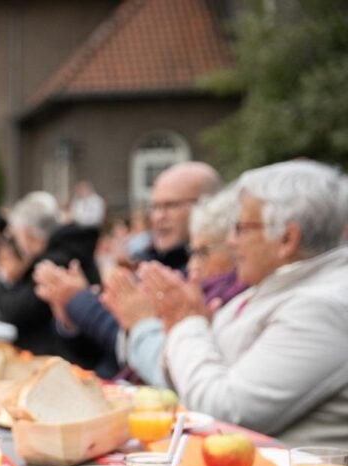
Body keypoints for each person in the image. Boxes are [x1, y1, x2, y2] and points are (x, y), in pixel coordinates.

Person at [143, 160, 348, 444]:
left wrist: (187, 323)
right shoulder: (275, 287)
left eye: (240, 228)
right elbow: (185, 379)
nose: (231, 242)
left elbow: (223, 412)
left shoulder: (322, 308)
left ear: (287, 238)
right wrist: (191, 328)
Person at [101, 188, 246, 386]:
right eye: (155, 207)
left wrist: (142, 323)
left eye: (202, 253)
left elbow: (182, 378)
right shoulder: (205, 286)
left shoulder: (233, 297)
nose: (193, 265)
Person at [0, 191, 102, 366]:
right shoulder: (64, 253)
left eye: (15, 236)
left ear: (27, 234)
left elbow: (15, 311)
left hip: (62, 363)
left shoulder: (56, 261)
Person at [140, 161, 222, 269]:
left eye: (171, 205)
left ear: (208, 206)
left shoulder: (224, 275)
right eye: (155, 207)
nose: (159, 217)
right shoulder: (143, 266)